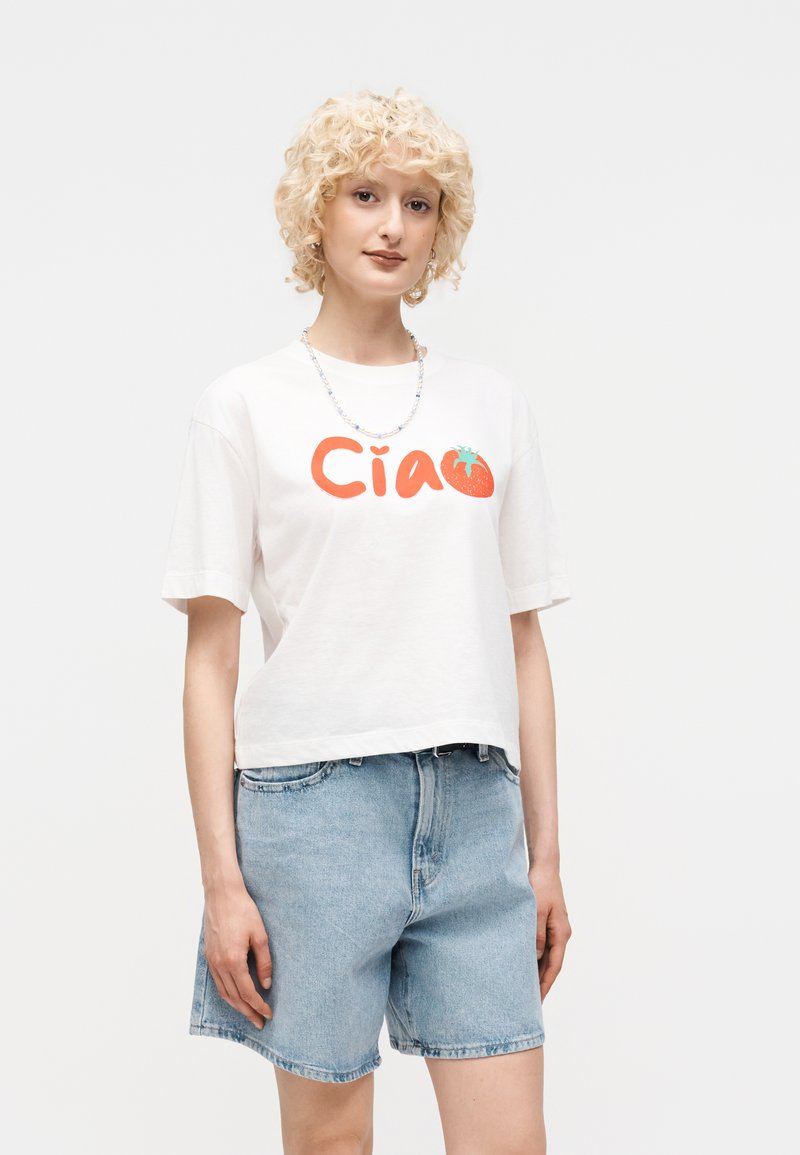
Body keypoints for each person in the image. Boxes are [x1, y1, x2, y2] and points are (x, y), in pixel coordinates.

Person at [161, 87, 573, 1155]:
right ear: (317, 210)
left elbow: (524, 644)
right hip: (313, 812)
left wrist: (544, 857)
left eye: (419, 204)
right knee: (331, 1142)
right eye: (364, 196)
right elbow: (210, 661)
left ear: (444, 229)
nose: (392, 225)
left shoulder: (489, 404)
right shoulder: (244, 406)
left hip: (475, 808)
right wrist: (220, 880)